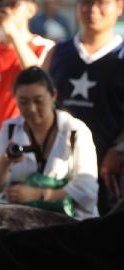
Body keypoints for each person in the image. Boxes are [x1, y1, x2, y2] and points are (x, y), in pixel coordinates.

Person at [0, 66, 98, 219]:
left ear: (53, 96)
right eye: (23, 102)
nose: (31, 108)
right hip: (20, 220)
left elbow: (87, 188)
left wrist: (40, 194)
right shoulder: (9, 128)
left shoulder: (76, 130)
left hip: (70, 223)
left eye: (38, 101)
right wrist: (4, 162)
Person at [44, 0, 124, 214]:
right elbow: (39, 103)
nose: (93, 10)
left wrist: (119, 148)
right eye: (86, 3)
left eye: (101, 3)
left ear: (119, 6)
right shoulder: (57, 52)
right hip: (57, 171)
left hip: (109, 172)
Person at [0, 0, 54, 164]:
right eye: (0, 4)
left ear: (31, 10)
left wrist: (13, 34)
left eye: (13, 4)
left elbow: (38, 79)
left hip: (28, 153)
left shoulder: (46, 48)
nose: (5, 9)